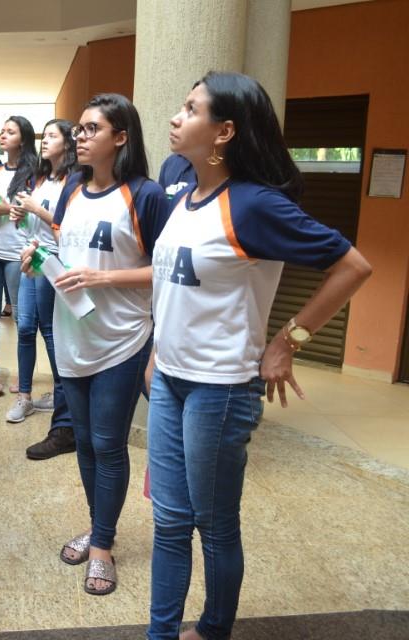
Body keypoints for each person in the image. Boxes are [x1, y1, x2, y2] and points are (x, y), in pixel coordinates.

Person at [147, 72, 372, 640]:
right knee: (168, 521)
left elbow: (352, 267)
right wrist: (157, 350)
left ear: (224, 132)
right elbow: (172, 285)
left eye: (191, 109)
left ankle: (213, 629)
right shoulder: (182, 184)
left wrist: (287, 341)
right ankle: (159, 633)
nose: (176, 116)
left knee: (214, 524)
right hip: (170, 379)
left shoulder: (253, 205)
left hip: (220, 388)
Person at [24, 95, 168, 596]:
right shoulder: (71, 190)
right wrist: (39, 258)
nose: (79, 137)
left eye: (92, 129)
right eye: (79, 129)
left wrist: (102, 278)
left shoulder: (145, 195)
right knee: (84, 442)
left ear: (121, 137)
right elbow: (68, 251)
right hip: (72, 336)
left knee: (108, 444)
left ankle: (102, 546)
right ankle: (98, 525)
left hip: (122, 340)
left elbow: (167, 271)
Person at [8, 120, 76, 464]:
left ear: (67, 143)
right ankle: (25, 395)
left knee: (52, 333)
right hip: (31, 257)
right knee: (24, 327)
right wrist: (20, 214)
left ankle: (63, 406)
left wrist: (37, 210)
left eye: (52, 136)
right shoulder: (41, 178)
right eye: (44, 135)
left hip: (54, 261)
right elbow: (31, 221)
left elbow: (68, 226)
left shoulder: (74, 180)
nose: (45, 141)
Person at [0, 116, 35, 397]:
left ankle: (24, 376)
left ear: (23, 140)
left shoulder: (33, 174)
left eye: (10, 132)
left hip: (16, 252)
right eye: (2, 131)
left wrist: (7, 208)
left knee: (22, 318)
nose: (3, 136)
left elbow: (35, 214)